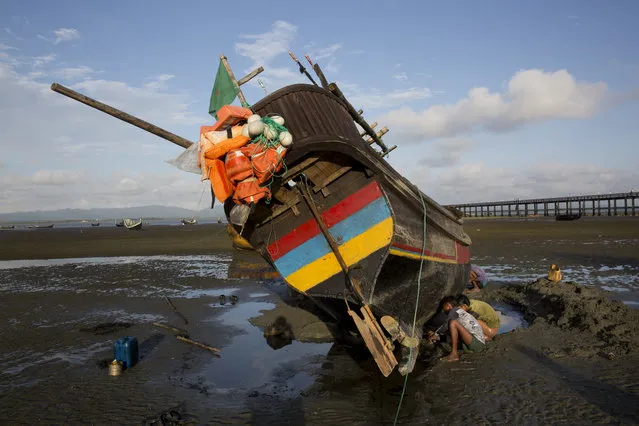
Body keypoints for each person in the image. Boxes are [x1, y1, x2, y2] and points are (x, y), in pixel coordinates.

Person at [435, 296, 486, 362]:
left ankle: (454, 354)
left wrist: (435, 333)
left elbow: (445, 326)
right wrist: (438, 337)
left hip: (478, 344)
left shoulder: (454, 311)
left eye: (443, 306)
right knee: (453, 330)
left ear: (448, 305)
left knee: (453, 323)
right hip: (477, 343)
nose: (443, 309)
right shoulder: (459, 312)